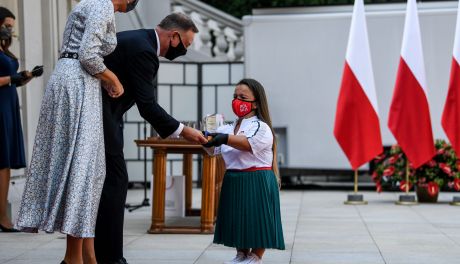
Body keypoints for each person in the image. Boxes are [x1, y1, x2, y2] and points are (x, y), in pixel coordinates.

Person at [15, 1, 139, 263]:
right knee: (82, 171)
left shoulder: (93, 4)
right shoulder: (102, 5)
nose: (127, 7)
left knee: (90, 171)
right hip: (77, 83)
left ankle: (87, 256)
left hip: (77, 81)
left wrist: (103, 80)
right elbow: (89, 55)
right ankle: (73, 259)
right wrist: (113, 78)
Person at [94, 12, 207, 264]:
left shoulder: (137, 40)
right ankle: (110, 258)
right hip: (99, 118)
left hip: (106, 116)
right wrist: (184, 131)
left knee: (107, 183)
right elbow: (147, 106)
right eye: (186, 45)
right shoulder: (144, 51)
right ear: (174, 36)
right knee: (116, 181)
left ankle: (96, 254)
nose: (184, 51)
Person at [203, 79, 285, 264]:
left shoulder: (261, 127)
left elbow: (248, 144)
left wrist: (223, 138)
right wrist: (204, 138)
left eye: (243, 97)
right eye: (235, 97)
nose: (237, 101)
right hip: (234, 177)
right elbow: (212, 150)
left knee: (258, 218)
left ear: (255, 103)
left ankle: (256, 256)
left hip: (257, 178)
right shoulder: (229, 127)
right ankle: (241, 254)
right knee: (238, 218)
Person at [0, 7, 43, 233]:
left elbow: (12, 81)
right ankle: (2, 218)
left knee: (5, 162)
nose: (9, 30)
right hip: (0, 107)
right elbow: (5, 79)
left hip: (8, 105)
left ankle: (2, 216)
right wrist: (12, 78)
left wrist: (26, 77)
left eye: (12, 27)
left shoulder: (4, 49)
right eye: (6, 25)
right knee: (2, 162)